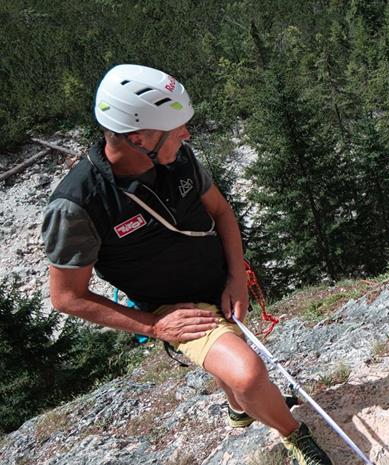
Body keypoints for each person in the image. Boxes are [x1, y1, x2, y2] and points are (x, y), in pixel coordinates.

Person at [41, 65, 333, 465]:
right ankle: (293, 434)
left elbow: (222, 213)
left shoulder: (179, 160)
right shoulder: (77, 205)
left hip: (218, 281)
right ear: (138, 137)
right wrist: (154, 326)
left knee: (238, 371)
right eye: (177, 128)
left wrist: (236, 278)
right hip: (174, 310)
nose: (187, 135)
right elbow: (66, 297)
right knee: (248, 374)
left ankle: (240, 408)